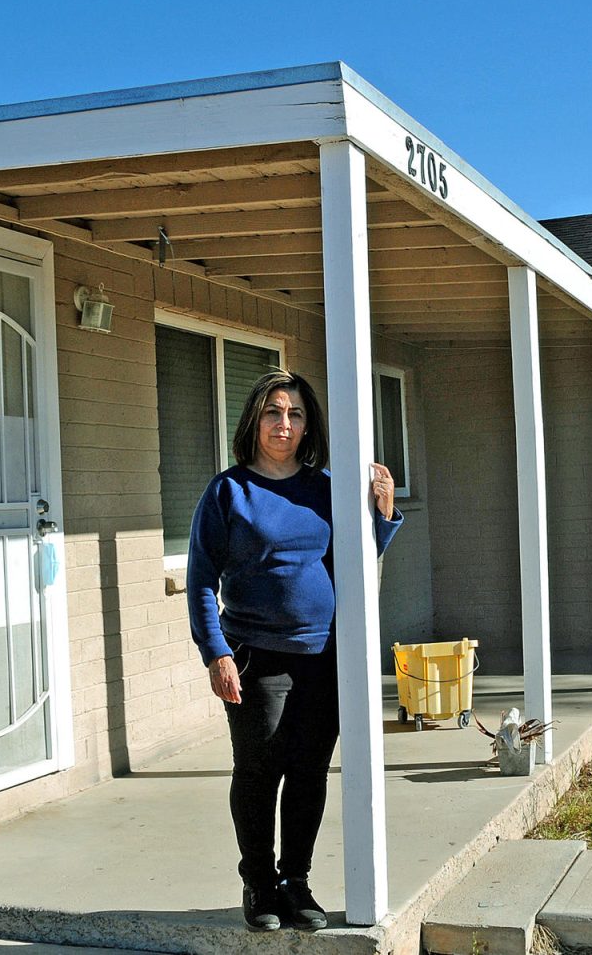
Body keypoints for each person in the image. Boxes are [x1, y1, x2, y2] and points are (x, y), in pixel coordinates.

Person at [187, 370, 402, 932]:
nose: (285, 424)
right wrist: (217, 652)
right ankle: (258, 884)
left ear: (309, 426)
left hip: (325, 656)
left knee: (309, 771)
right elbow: (200, 579)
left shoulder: (324, 487)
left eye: (296, 414)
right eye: (273, 413)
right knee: (260, 772)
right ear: (254, 421)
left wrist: (382, 514)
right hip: (256, 655)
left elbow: (355, 562)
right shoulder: (228, 491)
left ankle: (296, 882)